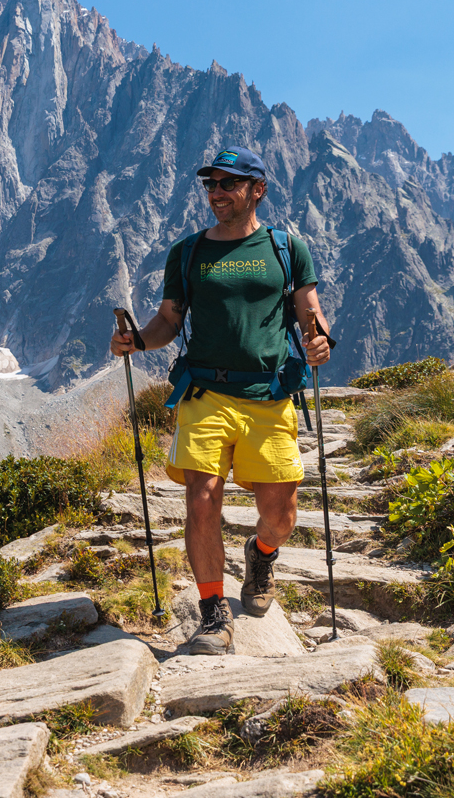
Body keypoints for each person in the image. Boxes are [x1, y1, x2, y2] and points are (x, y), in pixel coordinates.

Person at [109, 146, 330, 654]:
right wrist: (137, 340)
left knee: (282, 512)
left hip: (269, 393)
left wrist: (319, 340)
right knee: (201, 495)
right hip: (204, 392)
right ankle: (213, 613)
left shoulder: (287, 249)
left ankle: (261, 554)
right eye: (211, 184)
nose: (216, 193)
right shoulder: (187, 253)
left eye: (229, 184)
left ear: (258, 189)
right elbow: (169, 320)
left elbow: (310, 312)